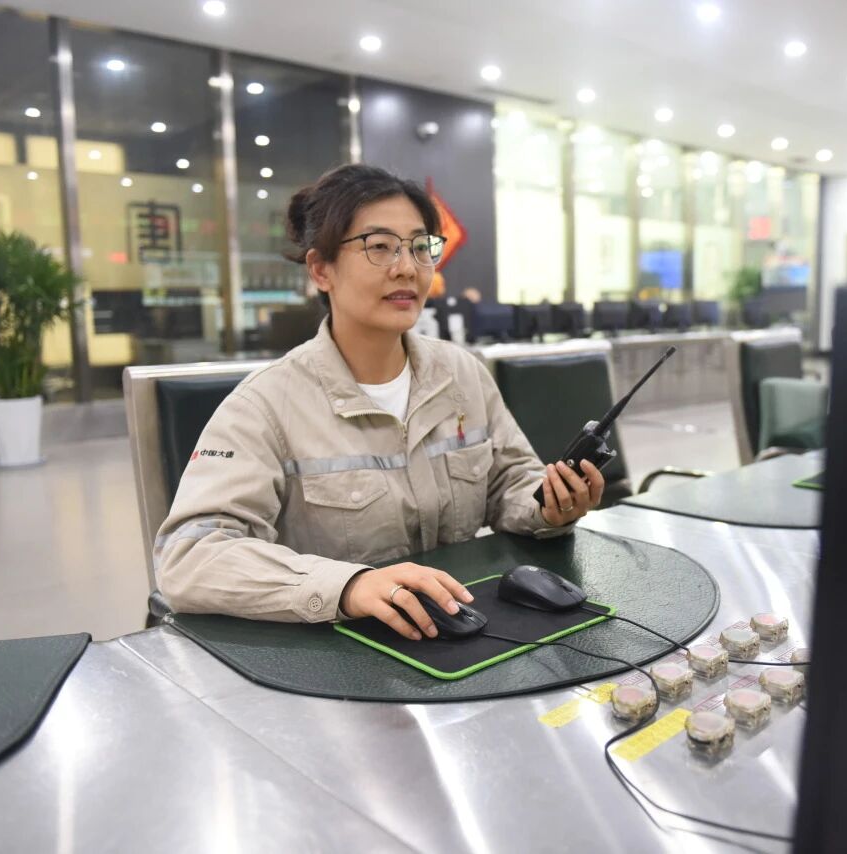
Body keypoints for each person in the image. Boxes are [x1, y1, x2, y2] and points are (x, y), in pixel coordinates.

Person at [154, 164, 605, 640]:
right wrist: (348, 586)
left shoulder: (462, 374)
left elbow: (510, 481)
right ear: (321, 270)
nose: (407, 267)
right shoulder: (264, 404)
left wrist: (548, 508)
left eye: (420, 246)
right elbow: (190, 557)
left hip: (458, 630)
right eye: (380, 246)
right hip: (334, 652)